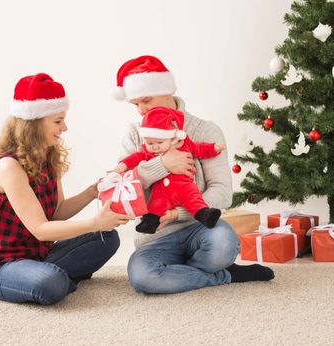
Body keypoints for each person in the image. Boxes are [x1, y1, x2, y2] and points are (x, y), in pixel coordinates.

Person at [112, 55, 275, 294]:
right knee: (143, 277)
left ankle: (183, 274)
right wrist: (163, 165)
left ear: (166, 90)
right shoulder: (135, 135)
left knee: (223, 245)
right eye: (135, 104)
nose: (141, 111)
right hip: (155, 237)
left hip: (202, 229)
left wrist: (176, 214)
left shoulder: (205, 130)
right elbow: (121, 190)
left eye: (146, 100)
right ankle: (224, 275)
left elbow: (222, 192)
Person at [0, 73, 132, 305]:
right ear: (34, 123)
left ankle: (48, 275)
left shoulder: (48, 154)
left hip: (40, 255)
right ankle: (50, 278)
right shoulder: (8, 166)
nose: (65, 127)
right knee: (50, 282)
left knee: (107, 238)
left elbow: (57, 211)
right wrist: (94, 222)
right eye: (58, 121)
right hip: (2, 266)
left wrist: (92, 192)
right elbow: (40, 229)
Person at [113, 106, 226, 233]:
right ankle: (150, 223)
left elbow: (199, 149)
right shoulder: (147, 152)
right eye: (150, 143)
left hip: (184, 186)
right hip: (161, 191)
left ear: (171, 138)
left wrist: (214, 148)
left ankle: (205, 215)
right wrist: (119, 168)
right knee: (155, 205)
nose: (154, 147)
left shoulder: (185, 144)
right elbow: (132, 159)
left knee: (194, 200)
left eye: (159, 143)